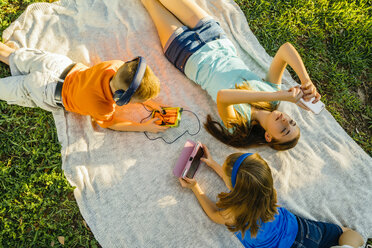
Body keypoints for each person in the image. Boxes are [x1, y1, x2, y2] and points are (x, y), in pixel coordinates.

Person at [141, 0, 322, 150]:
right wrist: (306, 80)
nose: (285, 121)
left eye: (283, 130)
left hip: (187, 51)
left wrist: (281, 94)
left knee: (151, 3)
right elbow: (285, 50)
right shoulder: (274, 99)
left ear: (268, 136)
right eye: (292, 122)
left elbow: (223, 97)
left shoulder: (238, 124)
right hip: (213, 35)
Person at [178, 144, 364, 247]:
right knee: (346, 233)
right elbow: (239, 181)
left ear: (234, 187)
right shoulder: (269, 192)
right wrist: (212, 164)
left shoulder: (233, 213)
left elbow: (212, 213)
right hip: (303, 230)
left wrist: (196, 188)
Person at [0, 42, 168, 133]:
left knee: (10, 55)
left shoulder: (114, 66)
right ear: (120, 97)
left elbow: (130, 83)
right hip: (45, 90)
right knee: (7, 88)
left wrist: (148, 102)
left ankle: (7, 54)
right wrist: (144, 127)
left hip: (56, 65)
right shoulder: (101, 105)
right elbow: (112, 124)